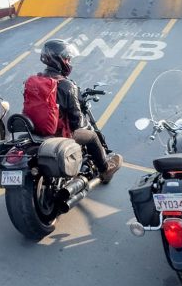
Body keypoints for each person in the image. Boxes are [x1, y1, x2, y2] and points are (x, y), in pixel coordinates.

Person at [33, 39, 123, 183]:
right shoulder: (66, 85)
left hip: (36, 130)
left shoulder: (35, 80)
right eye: (67, 59)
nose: (69, 62)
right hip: (58, 133)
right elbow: (76, 122)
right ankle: (105, 170)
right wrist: (83, 121)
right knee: (92, 136)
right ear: (59, 60)